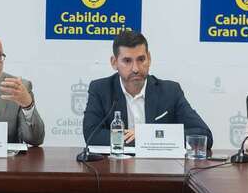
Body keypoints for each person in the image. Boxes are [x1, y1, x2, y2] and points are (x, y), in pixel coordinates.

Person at [82, 30, 212, 148]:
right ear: (114, 62)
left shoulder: (170, 92)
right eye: (127, 61)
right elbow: (92, 136)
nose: (135, 69)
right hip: (115, 165)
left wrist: (146, 134)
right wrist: (149, 140)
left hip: (158, 165)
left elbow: (204, 135)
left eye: (141, 59)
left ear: (149, 59)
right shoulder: (101, 89)